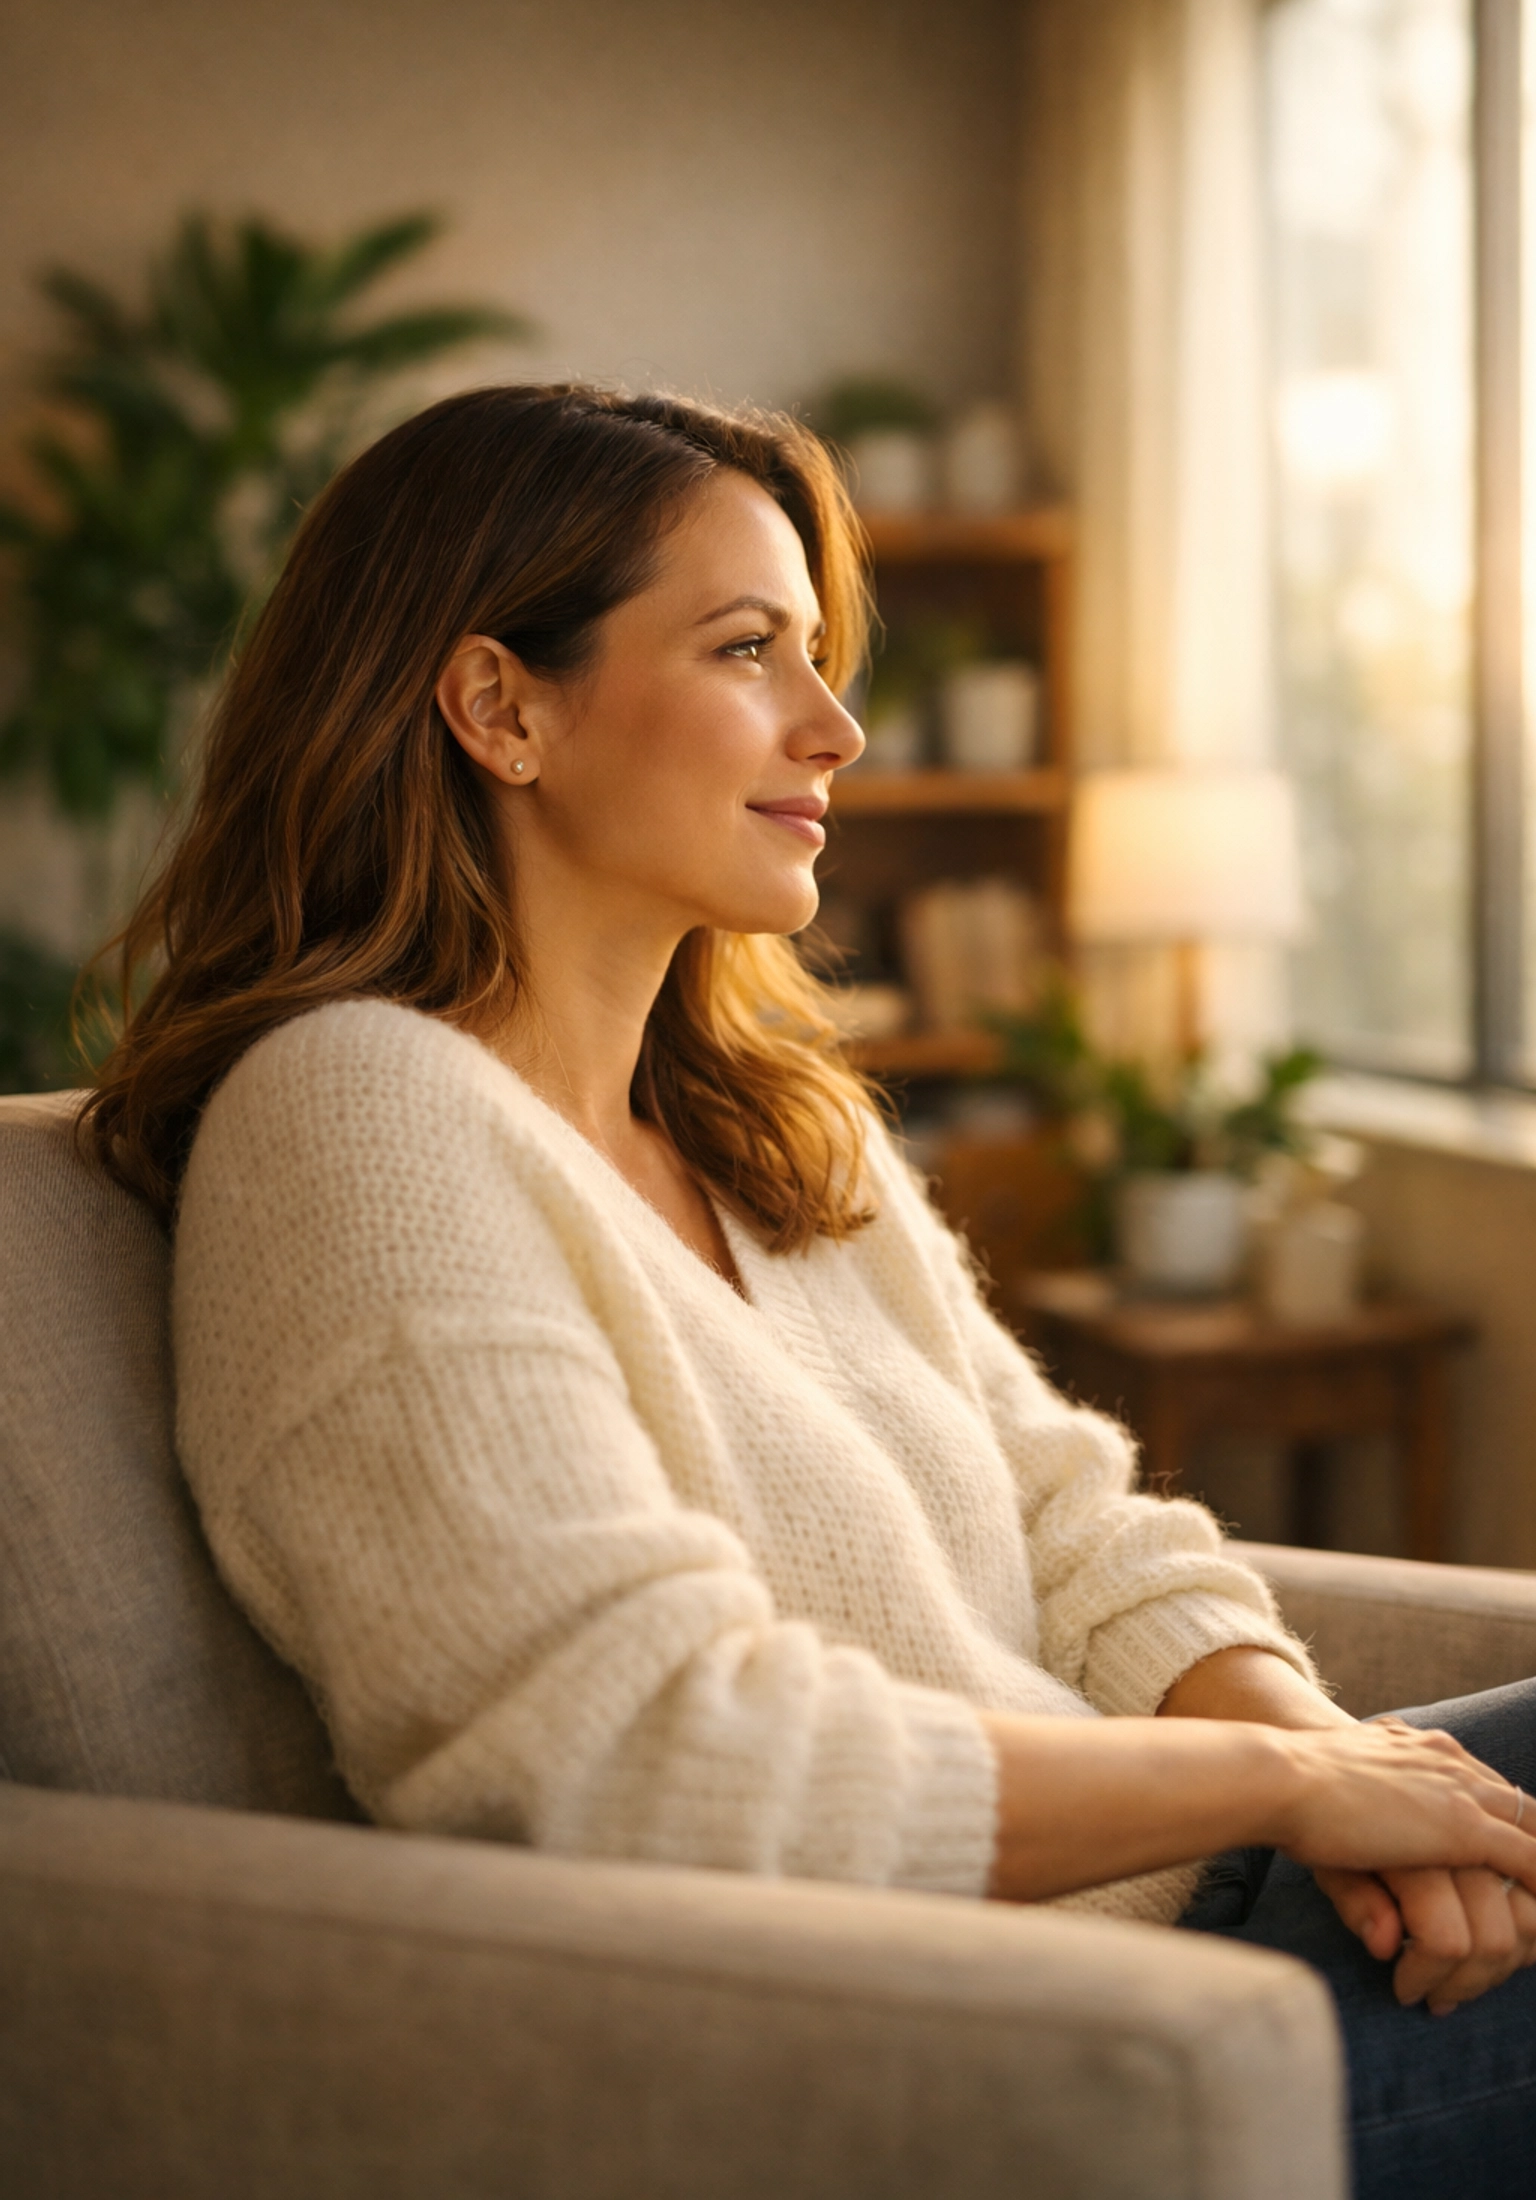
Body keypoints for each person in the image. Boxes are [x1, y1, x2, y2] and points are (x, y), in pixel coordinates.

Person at [85, 384, 1536, 2195]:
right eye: (750, 649)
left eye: (820, 656)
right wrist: (1291, 1794)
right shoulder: (358, 1122)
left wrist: (1356, 1781)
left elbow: (1081, 1529)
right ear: (497, 706)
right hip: (1000, 2031)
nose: (837, 727)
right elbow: (638, 1754)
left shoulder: (778, 1129)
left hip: (1235, 1932)